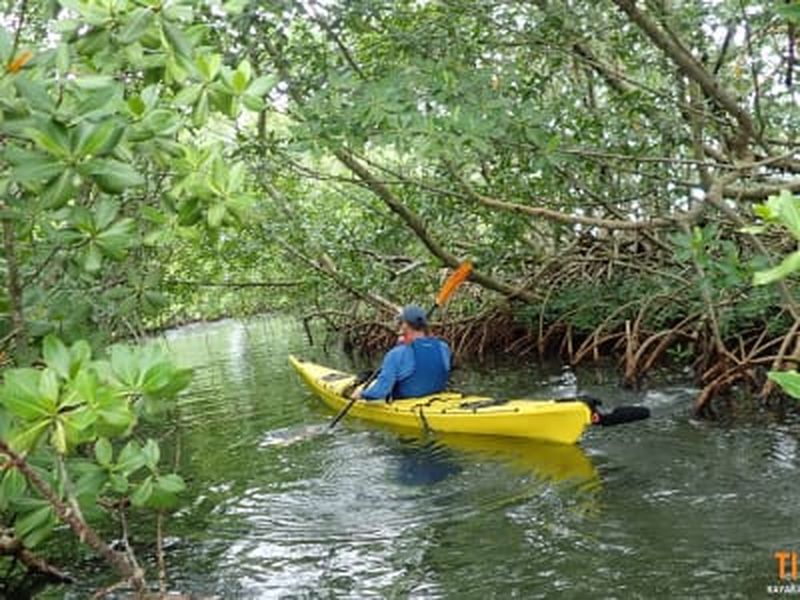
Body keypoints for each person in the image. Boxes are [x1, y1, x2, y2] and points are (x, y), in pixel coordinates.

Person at [352, 305, 451, 400]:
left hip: (405, 403)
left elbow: (379, 392)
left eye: (401, 322)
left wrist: (362, 393)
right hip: (436, 400)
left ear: (405, 325)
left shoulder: (396, 354)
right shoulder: (443, 347)